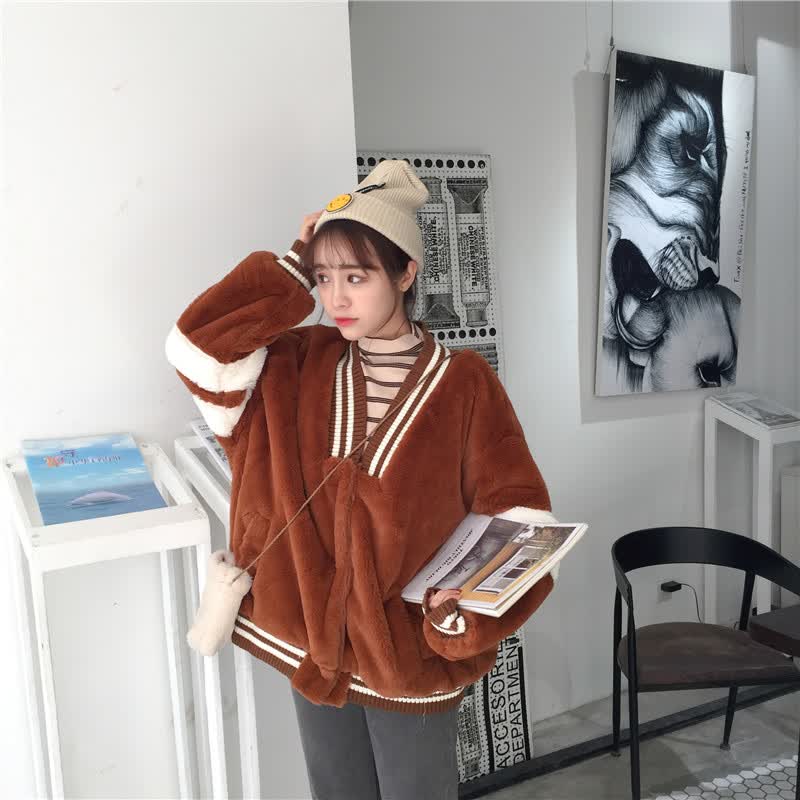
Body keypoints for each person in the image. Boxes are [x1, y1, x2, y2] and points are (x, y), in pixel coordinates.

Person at [165, 159, 559, 799]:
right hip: (310, 646)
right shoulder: (294, 364)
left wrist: (461, 610)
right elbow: (196, 350)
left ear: (405, 273)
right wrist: (293, 266)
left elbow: (521, 520)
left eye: (357, 276)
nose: (336, 299)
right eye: (324, 278)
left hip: (410, 656)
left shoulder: (464, 383)